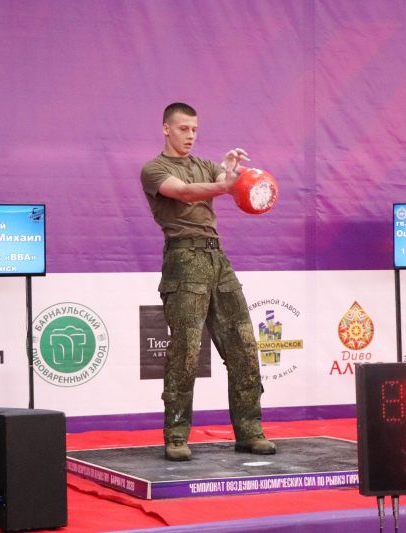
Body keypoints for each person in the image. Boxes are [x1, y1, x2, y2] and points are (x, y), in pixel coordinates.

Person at [140, 102, 276, 461]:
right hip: (183, 260)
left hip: (218, 259)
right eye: (183, 129)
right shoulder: (154, 169)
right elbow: (186, 192)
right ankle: (176, 436)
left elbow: (231, 182)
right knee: (185, 352)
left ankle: (250, 431)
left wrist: (232, 172)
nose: (190, 136)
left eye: (195, 130)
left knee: (243, 347)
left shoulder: (204, 165)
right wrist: (224, 184)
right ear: (166, 128)